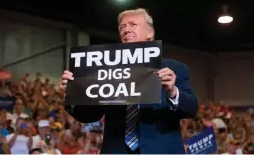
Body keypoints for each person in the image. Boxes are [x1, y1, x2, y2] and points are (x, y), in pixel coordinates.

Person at [60, 8, 198, 154]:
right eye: (122, 27)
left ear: (149, 33)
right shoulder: (104, 70)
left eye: (133, 24)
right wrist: (74, 94)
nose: (126, 30)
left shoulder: (175, 69)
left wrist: (172, 92)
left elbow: (191, 109)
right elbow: (90, 115)